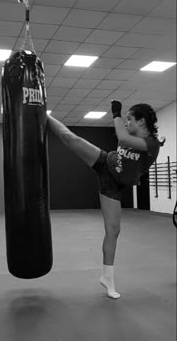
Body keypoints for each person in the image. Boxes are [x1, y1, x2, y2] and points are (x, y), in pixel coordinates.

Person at [47, 100, 165, 299]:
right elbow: (124, 137)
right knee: (69, 137)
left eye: (130, 120)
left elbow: (123, 138)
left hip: (114, 185)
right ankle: (43, 114)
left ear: (142, 121)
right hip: (104, 161)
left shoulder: (152, 143)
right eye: (125, 119)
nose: (126, 123)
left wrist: (116, 114)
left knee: (113, 231)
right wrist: (120, 118)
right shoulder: (136, 136)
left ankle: (107, 278)